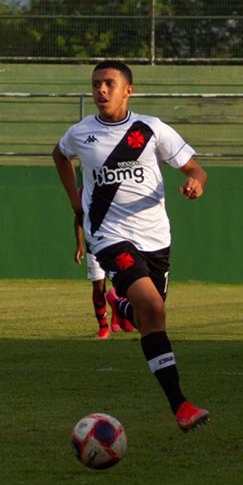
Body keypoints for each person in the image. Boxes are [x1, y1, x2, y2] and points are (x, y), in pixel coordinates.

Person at [53, 60, 210, 432]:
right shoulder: (80, 133)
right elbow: (59, 155)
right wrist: (76, 203)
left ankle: (120, 305)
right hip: (109, 236)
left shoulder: (150, 129)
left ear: (128, 90)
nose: (101, 90)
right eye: (96, 84)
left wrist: (195, 182)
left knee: (150, 317)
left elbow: (195, 168)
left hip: (155, 238)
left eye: (109, 83)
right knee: (152, 306)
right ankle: (180, 405)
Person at [73, 212, 135, 339]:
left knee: (121, 281)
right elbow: (78, 214)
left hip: (115, 243)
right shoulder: (86, 198)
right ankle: (103, 327)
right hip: (93, 245)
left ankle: (117, 307)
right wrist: (79, 244)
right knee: (98, 287)